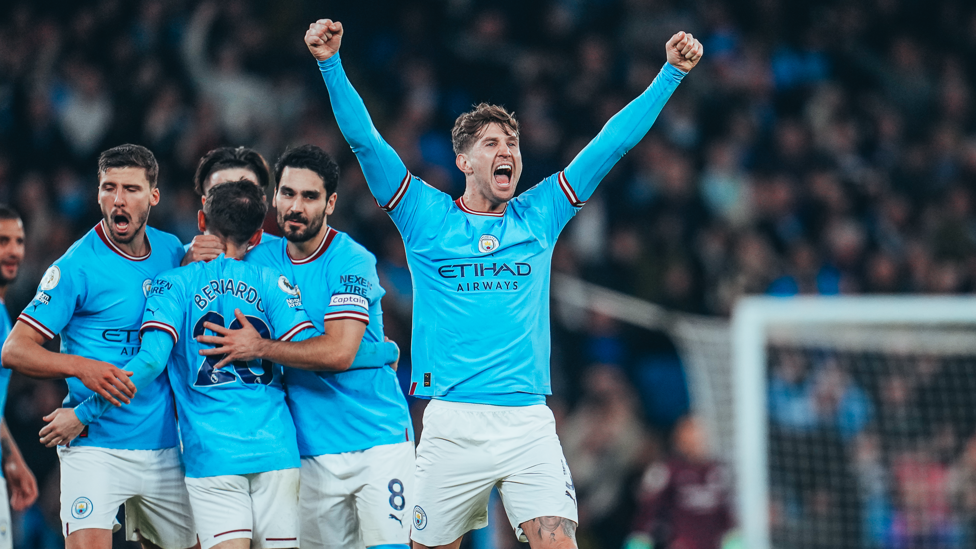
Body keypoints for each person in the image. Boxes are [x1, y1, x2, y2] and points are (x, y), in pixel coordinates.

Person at [303, 17, 702, 549]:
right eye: (492, 143)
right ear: (464, 160)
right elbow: (364, 139)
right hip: (451, 421)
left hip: (527, 424)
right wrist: (330, 64)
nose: (507, 151)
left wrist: (669, 75)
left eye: (512, 142)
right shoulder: (427, 218)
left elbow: (609, 145)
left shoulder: (540, 214)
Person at [44, 180, 314, 549]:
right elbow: (311, 352)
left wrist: (84, 413)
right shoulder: (274, 282)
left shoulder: (170, 284)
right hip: (278, 450)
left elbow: (151, 362)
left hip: (212, 456)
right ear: (257, 236)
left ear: (201, 218)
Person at [198, 144, 414, 548]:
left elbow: (337, 353)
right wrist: (194, 256)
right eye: (288, 193)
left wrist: (260, 347)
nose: (296, 207)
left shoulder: (351, 260)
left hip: (378, 440)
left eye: (310, 196)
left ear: (330, 202)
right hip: (308, 453)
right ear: (274, 196)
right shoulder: (256, 261)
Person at [0, 144, 197, 549]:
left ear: (153, 196)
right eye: (109, 188)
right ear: (98, 194)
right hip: (94, 445)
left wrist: (198, 254)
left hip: (165, 446)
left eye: (131, 188)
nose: (118, 199)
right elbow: (14, 349)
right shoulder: (74, 267)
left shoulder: (172, 251)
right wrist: (80, 367)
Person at [625, 416, 735, 549]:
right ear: (679, 440)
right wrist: (640, 539)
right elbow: (648, 510)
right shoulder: (666, 470)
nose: (697, 442)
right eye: (690, 437)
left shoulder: (718, 471)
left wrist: (734, 537)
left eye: (699, 437)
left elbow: (727, 512)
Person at [0, 206, 39, 549]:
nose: (13, 250)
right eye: (2, 241)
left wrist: (10, 457)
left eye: (19, 241)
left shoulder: (4, 313)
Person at [182, 146, 278, 265]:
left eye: (246, 191)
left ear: (262, 203)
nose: (234, 199)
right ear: (204, 203)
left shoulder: (283, 257)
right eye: (221, 192)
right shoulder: (179, 259)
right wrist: (184, 268)